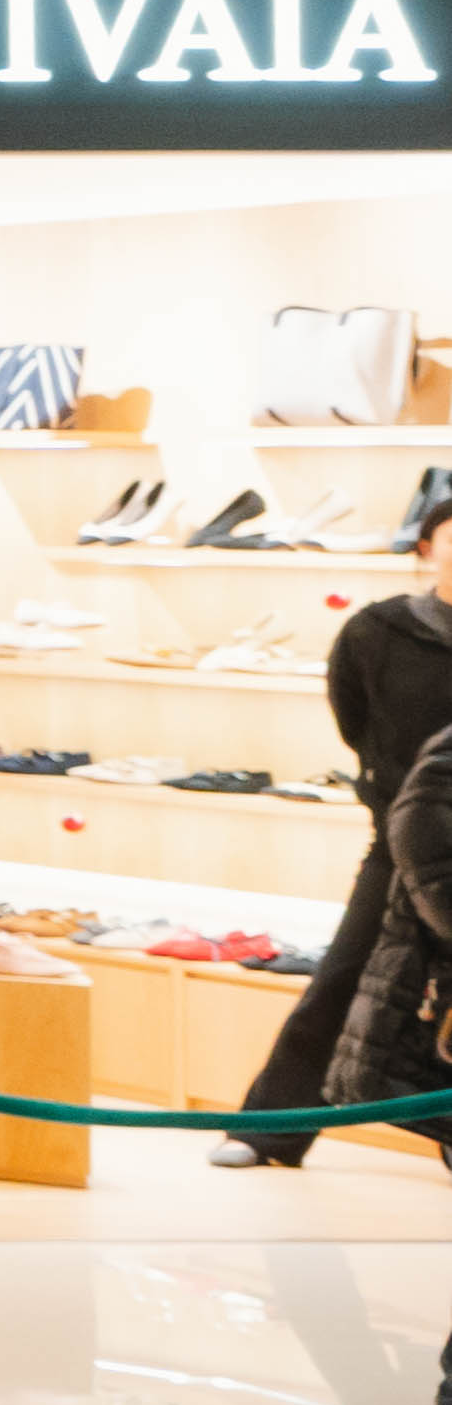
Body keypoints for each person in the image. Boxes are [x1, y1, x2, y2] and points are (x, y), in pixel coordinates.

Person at [220, 489, 452, 1170]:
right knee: (345, 975)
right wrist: (402, 802)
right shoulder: (379, 631)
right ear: (426, 549)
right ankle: (270, 1129)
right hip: (402, 840)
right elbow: (354, 718)